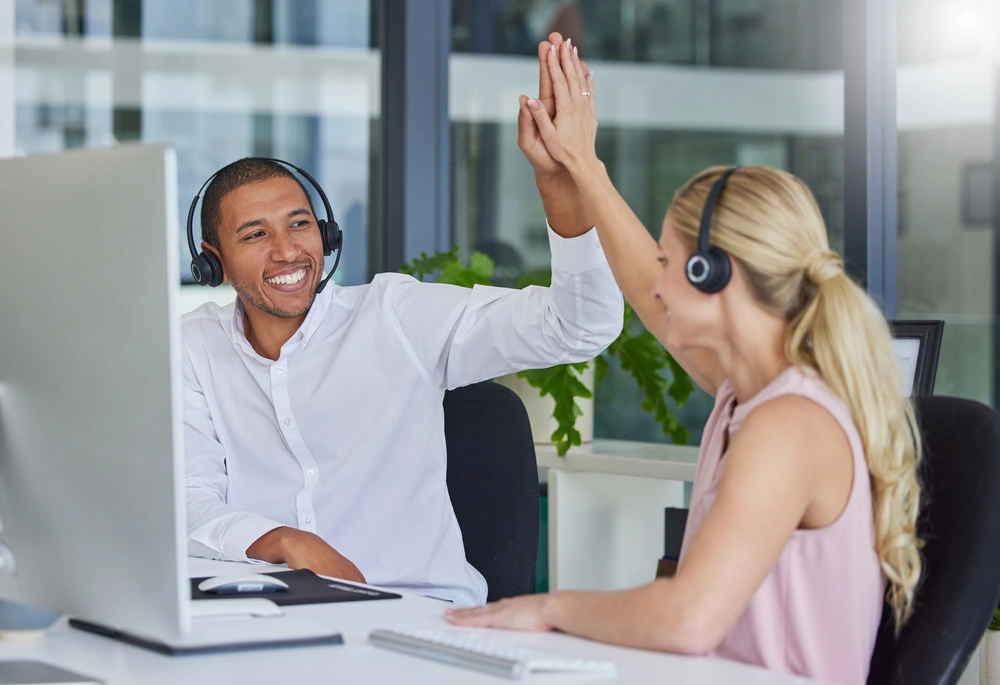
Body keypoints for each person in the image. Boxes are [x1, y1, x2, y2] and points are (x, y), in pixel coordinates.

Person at [446, 34, 923, 685]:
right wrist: (582, 168)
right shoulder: (749, 396)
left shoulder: (788, 425)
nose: (661, 284)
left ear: (713, 272)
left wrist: (547, 605)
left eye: (673, 265)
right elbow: (648, 295)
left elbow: (689, 618)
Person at [181, 68, 623, 605]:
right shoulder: (193, 346)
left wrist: (562, 186)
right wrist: (281, 540)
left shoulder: (395, 315)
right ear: (213, 263)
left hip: (416, 612)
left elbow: (579, 327)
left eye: (300, 224)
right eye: (255, 234)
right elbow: (187, 501)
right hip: (274, 611)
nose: (287, 250)